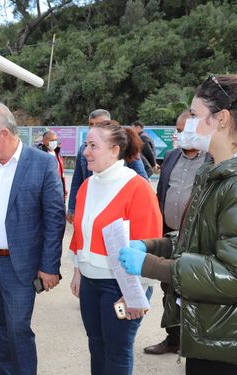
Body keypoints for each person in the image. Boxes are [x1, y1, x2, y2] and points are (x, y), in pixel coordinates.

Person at [119, 74, 237, 374]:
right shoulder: (217, 172)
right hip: (219, 332)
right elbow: (201, 241)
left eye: (195, 115)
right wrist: (152, 246)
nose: (187, 123)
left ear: (221, 119)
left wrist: (152, 266)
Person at [0, 102, 65, 375]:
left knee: (18, 331)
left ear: (4, 134)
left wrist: (50, 266)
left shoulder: (41, 164)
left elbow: (54, 220)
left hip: (19, 266)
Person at [69, 121, 162, 375]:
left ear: (114, 150)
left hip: (120, 285)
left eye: (92, 146)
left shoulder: (137, 187)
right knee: (96, 345)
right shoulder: (88, 185)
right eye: (86, 145)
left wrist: (136, 292)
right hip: (90, 282)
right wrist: (78, 269)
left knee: (117, 351)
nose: (85, 151)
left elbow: (151, 243)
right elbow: (80, 232)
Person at [142, 110, 208, 356]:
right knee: (168, 289)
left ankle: (197, 343)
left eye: (186, 130)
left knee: (195, 292)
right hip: (171, 238)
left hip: (199, 240)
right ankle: (173, 338)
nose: (181, 135)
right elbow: (161, 193)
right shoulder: (170, 157)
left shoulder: (213, 159)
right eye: (178, 130)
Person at [66, 109, 148, 223]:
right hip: (91, 206)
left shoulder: (126, 149)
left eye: (99, 124)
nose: (94, 127)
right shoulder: (83, 151)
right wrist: (72, 208)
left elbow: (142, 180)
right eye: (91, 124)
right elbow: (77, 180)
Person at [39, 130, 67, 198]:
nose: (54, 142)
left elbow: (61, 173)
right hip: (46, 191)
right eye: (51, 140)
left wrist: (64, 189)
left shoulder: (58, 154)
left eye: (55, 140)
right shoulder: (39, 154)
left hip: (58, 190)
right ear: (44, 141)